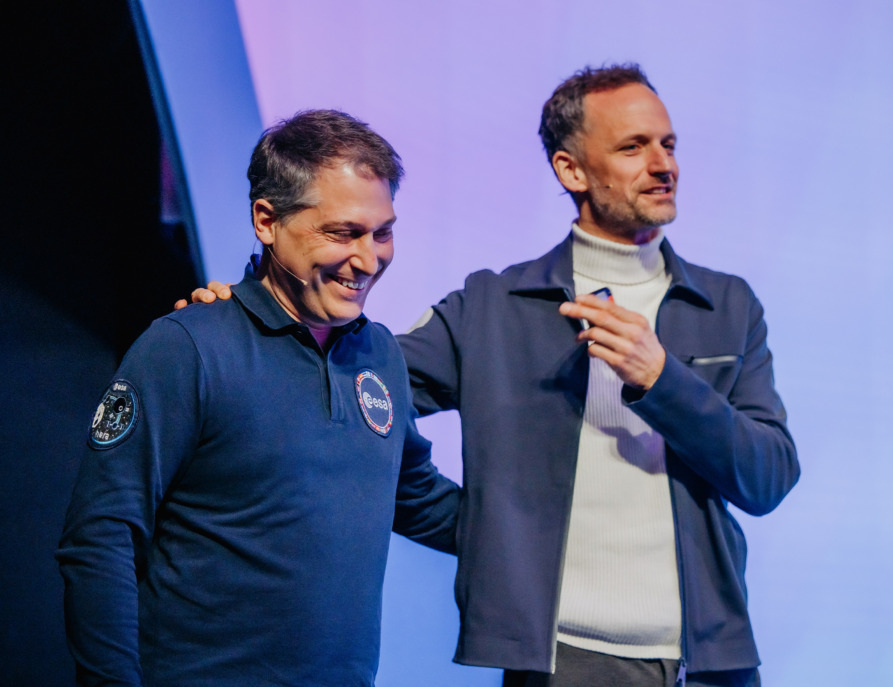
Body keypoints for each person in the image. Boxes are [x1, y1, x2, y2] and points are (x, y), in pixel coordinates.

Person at [188, 64, 799, 687]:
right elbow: (346, 385)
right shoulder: (492, 307)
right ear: (571, 170)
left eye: (668, 144)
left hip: (714, 662)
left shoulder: (728, 305)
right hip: (567, 661)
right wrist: (243, 327)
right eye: (633, 146)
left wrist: (661, 378)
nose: (662, 163)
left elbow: (768, 478)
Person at [57, 110, 459, 687]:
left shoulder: (380, 355)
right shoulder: (187, 347)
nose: (369, 260)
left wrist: (564, 538)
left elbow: (415, 498)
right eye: (342, 232)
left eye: (383, 232)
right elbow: (99, 538)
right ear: (266, 221)